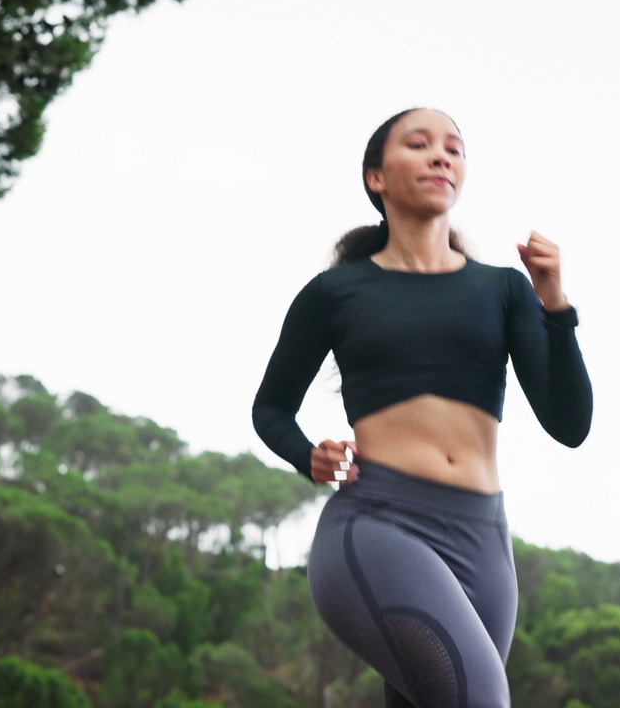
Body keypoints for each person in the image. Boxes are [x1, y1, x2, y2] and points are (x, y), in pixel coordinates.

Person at [252, 108, 593, 708]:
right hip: (379, 524)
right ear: (376, 177)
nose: (442, 156)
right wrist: (309, 455)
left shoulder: (504, 289)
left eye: (454, 149)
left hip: (483, 539)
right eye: (419, 144)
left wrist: (556, 308)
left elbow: (569, 426)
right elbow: (271, 407)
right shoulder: (335, 292)